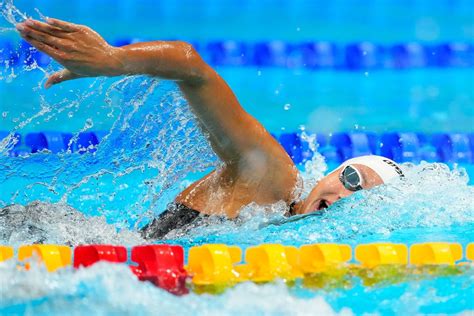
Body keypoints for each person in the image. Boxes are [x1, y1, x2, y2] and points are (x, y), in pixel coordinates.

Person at [15, 18, 404, 239]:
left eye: (362, 198)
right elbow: (191, 67)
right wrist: (112, 59)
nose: (346, 196)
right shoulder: (273, 178)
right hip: (51, 236)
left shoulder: (298, 232)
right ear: (335, 171)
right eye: (352, 178)